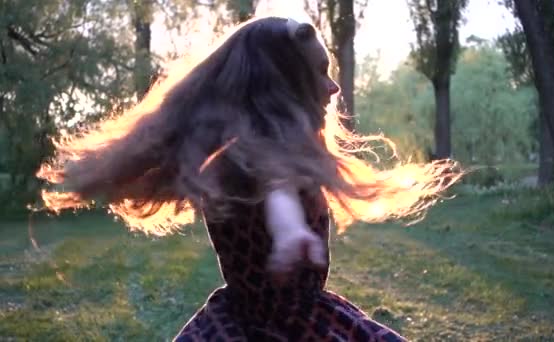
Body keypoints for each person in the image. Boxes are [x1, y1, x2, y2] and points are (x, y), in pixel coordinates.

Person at [37, 16, 462, 341]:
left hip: (237, 319)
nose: (332, 87)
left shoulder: (232, 156)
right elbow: (276, 190)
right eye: (318, 72)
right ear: (281, 85)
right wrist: (291, 229)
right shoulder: (259, 159)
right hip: (295, 324)